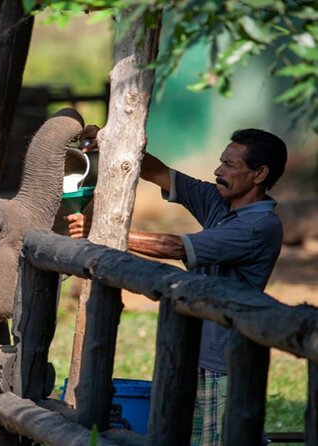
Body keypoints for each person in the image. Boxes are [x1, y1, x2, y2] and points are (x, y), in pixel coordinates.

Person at [68, 125, 287, 446]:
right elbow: (157, 171)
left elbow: (176, 247)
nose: (218, 170)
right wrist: (112, 140)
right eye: (221, 161)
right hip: (195, 350)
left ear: (259, 174)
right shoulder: (219, 203)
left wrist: (104, 230)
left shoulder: (259, 226)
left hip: (227, 357)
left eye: (230, 165)